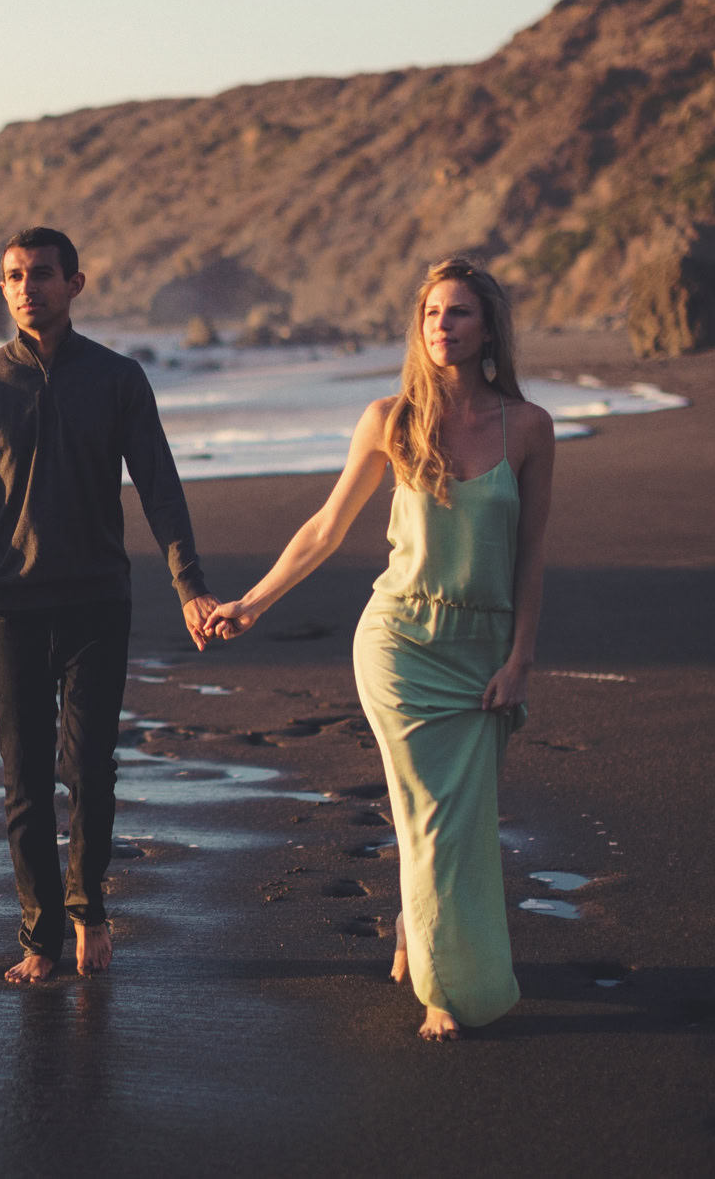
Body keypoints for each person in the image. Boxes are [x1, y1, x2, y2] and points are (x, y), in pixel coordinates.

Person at [207, 257, 553, 1040]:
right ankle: (445, 989)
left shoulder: (527, 427)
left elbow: (531, 553)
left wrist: (520, 658)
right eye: (432, 313)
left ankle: (413, 924)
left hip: (484, 649)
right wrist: (251, 604)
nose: (442, 326)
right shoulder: (389, 418)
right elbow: (324, 530)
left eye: (459, 313)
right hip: (399, 642)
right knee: (432, 817)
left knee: (461, 819)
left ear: (488, 327)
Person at [0, 227, 219, 984]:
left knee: (88, 769)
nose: (26, 287)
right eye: (13, 276)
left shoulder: (117, 379)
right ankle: (39, 936)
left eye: (41, 274)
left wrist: (188, 584)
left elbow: (159, 484)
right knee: (24, 782)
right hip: (14, 608)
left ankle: (88, 906)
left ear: (75, 283)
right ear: (2, 289)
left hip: (98, 600)